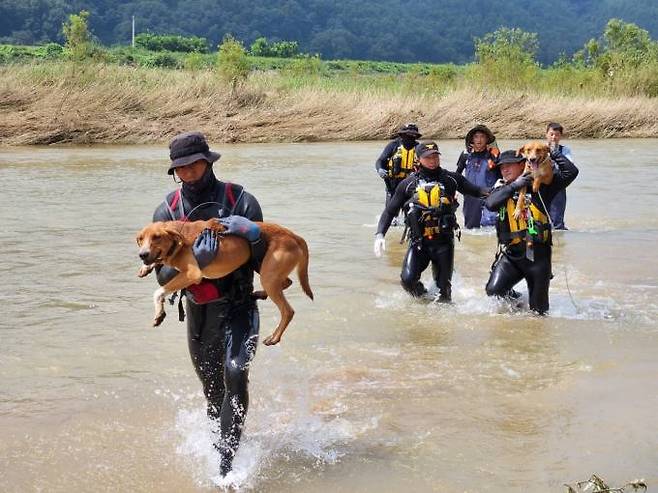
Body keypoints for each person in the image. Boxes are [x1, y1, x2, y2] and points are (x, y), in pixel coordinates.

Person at [151, 131, 264, 476]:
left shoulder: (241, 199)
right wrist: (188, 264)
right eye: (180, 169)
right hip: (199, 311)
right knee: (212, 389)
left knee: (236, 373)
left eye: (193, 165)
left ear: (208, 162)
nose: (187, 173)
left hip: (240, 304)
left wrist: (254, 235)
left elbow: (264, 258)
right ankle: (220, 446)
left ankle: (227, 470)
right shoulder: (167, 211)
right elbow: (161, 279)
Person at [373, 141, 489, 301]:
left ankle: (442, 315)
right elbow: (390, 211)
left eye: (435, 156)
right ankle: (425, 300)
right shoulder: (407, 184)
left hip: (444, 243)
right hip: (419, 242)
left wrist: (498, 188)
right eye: (428, 157)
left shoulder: (451, 179)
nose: (433, 160)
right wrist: (380, 234)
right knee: (408, 281)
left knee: (444, 294)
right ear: (419, 159)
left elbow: (476, 191)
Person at [484, 148, 579, 314]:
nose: (504, 169)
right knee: (493, 291)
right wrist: (515, 185)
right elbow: (490, 204)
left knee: (539, 311)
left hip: (538, 257)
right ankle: (517, 301)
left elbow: (571, 172)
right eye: (502, 167)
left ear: (522, 165)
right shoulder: (502, 189)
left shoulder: (542, 187)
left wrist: (552, 152)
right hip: (512, 256)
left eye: (509, 166)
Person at [455, 124, 500, 229]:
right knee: (471, 228)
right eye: (476, 137)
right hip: (470, 196)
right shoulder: (465, 155)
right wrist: (455, 191)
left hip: (490, 195)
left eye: (482, 137)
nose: (479, 140)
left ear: (487, 139)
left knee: (490, 226)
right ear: (472, 139)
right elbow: (457, 174)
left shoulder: (494, 154)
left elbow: (502, 174)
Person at [374, 123, 422, 220]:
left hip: (410, 185)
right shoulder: (393, 145)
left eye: (413, 135)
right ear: (402, 135)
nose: (410, 137)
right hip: (393, 185)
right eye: (408, 135)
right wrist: (380, 170)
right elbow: (380, 161)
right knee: (391, 214)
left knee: (411, 213)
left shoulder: (419, 148)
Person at [545, 122, 574, 230]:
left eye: (557, 135)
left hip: (558, 185)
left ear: (560, 136)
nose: (554, 137)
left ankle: (560, 240)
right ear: (546, 134)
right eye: (551, 134)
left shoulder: (565, 150)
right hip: (542, 185)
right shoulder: (539, 149)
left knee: (557, 220)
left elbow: (569, 166)